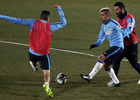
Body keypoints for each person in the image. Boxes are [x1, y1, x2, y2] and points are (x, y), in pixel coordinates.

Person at [0, 5, 67, 97]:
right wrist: (59, 9)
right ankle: (47, 85)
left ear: (40, 17)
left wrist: (1, 16)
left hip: (32, 53)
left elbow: (17, 20)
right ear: (48, 19)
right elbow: (64, 23)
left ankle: (34, 65)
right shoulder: (50, 27)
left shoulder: (32, 22)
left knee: (33, 61)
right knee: (47, 74)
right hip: (43, 55)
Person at [80, 7, 128, 87]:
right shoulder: (103, 26)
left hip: (118, 47)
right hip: (113, 47)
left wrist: (126, 36)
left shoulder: (114, 23)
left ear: (108, 16)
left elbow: (123, 30)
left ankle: (90, 76)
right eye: (100, 15)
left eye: (102, 15)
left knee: (101, 57)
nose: (101, 17)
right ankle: (116, 82)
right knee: (105, 66)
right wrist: (95, 44)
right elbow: (101, 38)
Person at [107, 2, 140, 86]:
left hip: (131, 45)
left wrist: (125, 34)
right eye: (115, 10)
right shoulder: (118, 19)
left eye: (117, 10)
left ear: (122, 9)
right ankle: (115, 80)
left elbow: (129, 29)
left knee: (134, 64)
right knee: (116, 62)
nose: (116, 12)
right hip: (121, 45)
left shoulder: (131, 18)